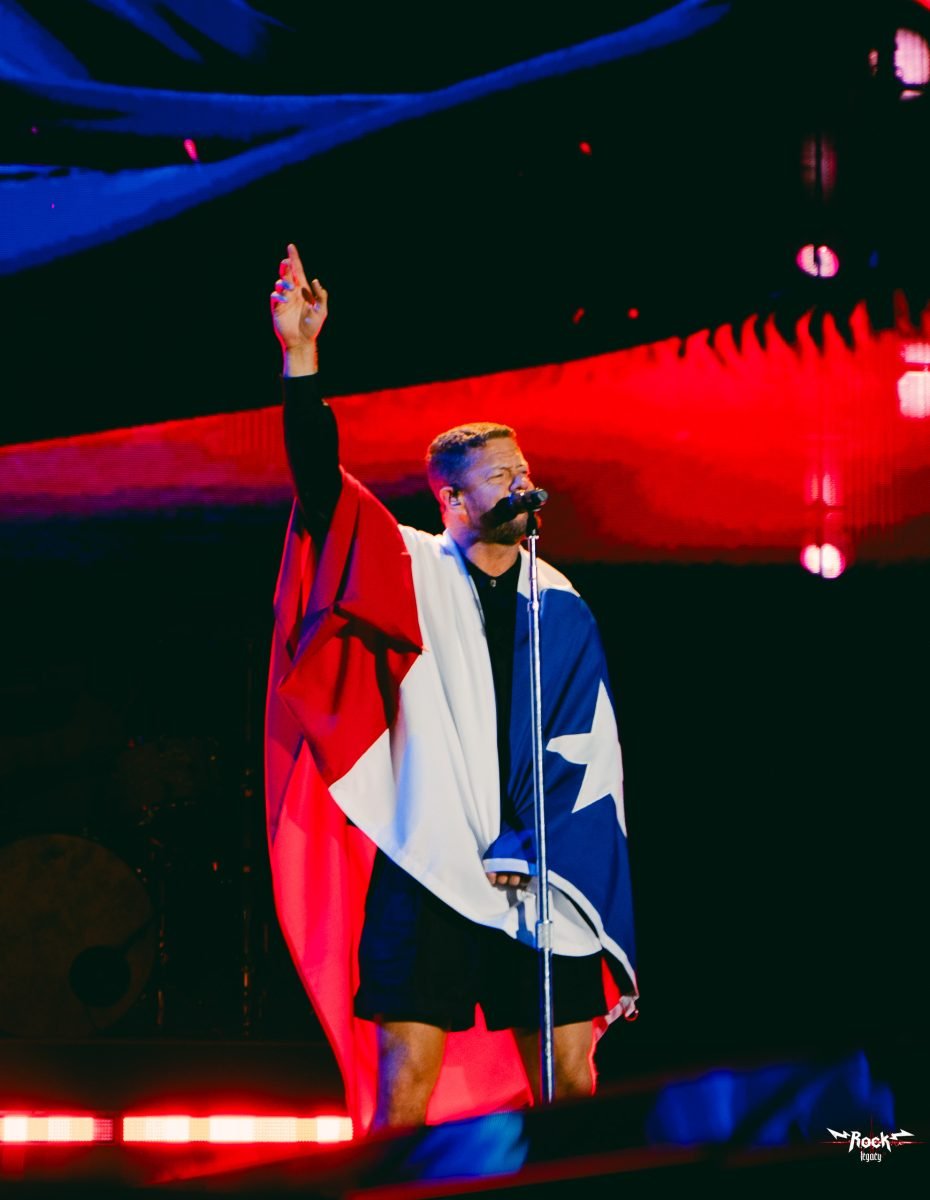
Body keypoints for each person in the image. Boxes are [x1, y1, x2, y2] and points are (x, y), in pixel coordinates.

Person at [265, 244, 637, 1131]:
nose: (522, 484)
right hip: (429, 855)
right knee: (406, 1079)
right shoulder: (409, 566)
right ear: (453, 500)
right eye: (500, 476)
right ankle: (393, 1189)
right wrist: (301, 357)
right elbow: (321, 489)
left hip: (541, 864)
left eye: (523, 469)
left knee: (569, 1077)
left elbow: (585, 747)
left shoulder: (561, 600)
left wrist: (549, 843)